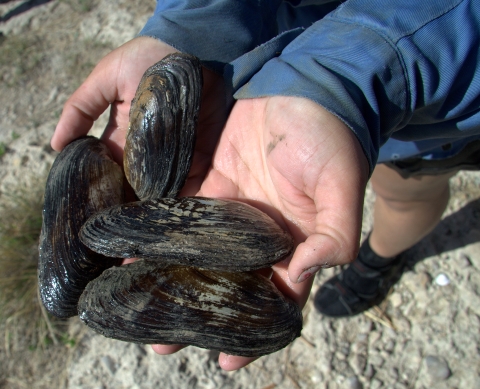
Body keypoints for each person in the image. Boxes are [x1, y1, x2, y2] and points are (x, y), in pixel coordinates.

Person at [51, 0, 480, 371]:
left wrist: (353, 74)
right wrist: (196, 27)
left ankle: (379, 259)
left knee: (408, 190)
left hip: (427, 91)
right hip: (258, 79)